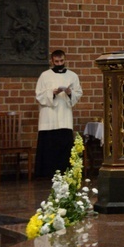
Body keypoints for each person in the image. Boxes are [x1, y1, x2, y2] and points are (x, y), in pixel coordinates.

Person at [34, 50, 83, 178]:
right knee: (48, 146)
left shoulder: (73, 76)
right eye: (57, 61)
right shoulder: (44, 75)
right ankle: (45, 174)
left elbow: (78, 94)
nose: (59, 63)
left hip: (64, 116)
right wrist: (52, 93)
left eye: (61, 61)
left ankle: (65, 173)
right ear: (52, 61)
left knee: (64, 145)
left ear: (65, 60)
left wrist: (69, 92)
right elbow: (39, 95)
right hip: (48, 117)